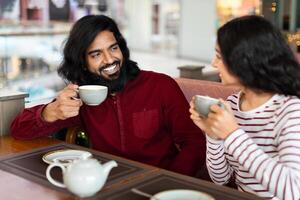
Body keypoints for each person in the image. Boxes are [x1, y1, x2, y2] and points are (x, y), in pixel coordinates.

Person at [10, 15, 206, 176]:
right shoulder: (82, 96)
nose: (110, 59)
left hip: (158, 184)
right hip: (106, 182)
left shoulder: (161, 85)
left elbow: (195, 143)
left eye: (113, 48)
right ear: (82, 63)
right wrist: (50, 112)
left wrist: (166, 180)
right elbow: (19, 130)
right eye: (96, 54)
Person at [189, 15, 300, 199]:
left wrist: (232, 134)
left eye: (219, 56)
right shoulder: (233, 104)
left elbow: (294, 190)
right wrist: (214, 136)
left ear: (245, 60)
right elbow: (220, 178)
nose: (213, 63)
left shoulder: (291, 110)